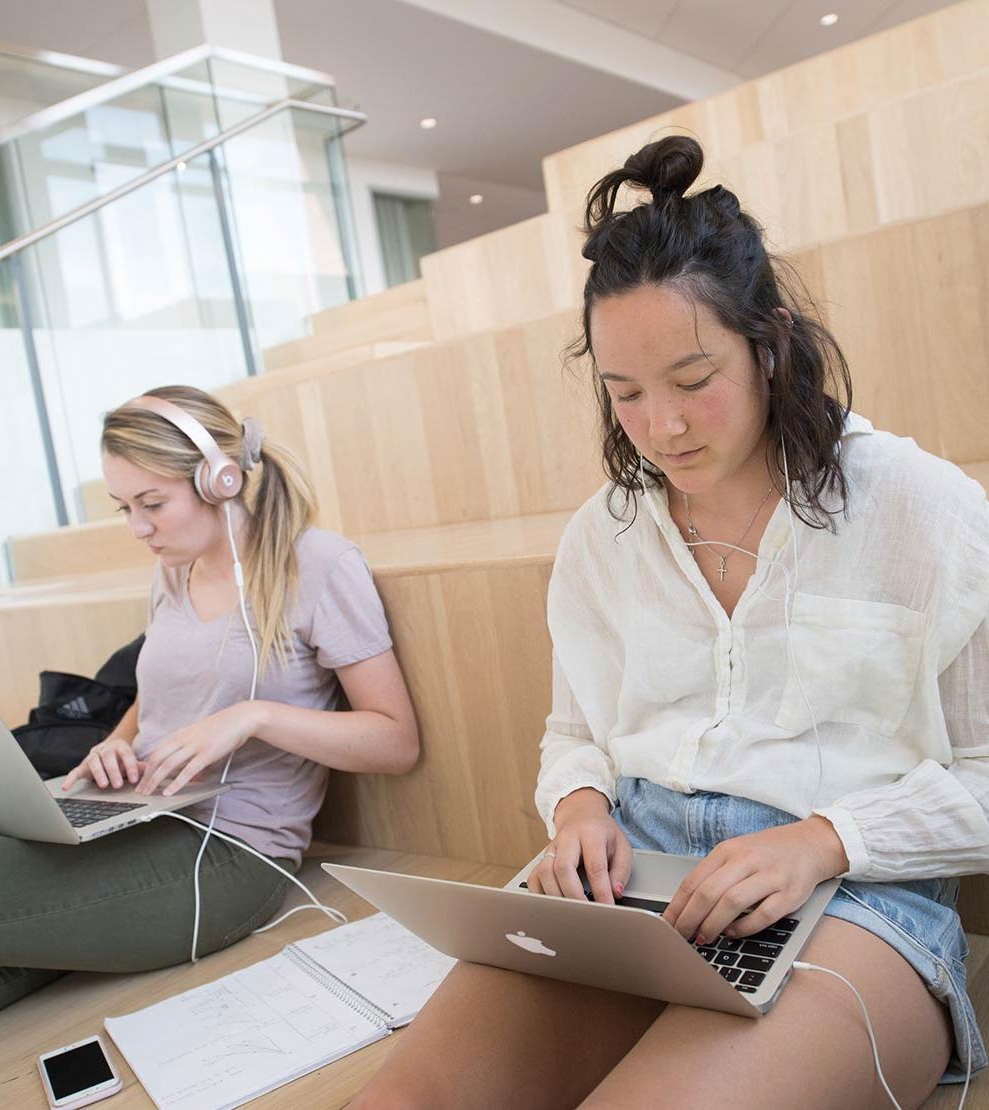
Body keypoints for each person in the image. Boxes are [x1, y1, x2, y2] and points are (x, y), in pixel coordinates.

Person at [353, 136, 989, 1109]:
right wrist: (577, 808)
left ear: (770, 341)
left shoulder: (921, 508)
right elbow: (575, 734)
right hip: (635, 887)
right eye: (625, 393)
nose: (663, 428)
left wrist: (822, 838)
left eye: (693, 381)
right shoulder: (601, 537)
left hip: (853, 896)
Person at [0, 384, 419, 1109]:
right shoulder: (176, 569)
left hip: (222, 861)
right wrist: (114, 746)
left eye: (151, 503)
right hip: (130, 818)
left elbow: (394, 740)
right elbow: (153, 701)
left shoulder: (318, 566)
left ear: (220, 478)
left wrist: (254, 716)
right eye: (123, 507)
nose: (137, 527)